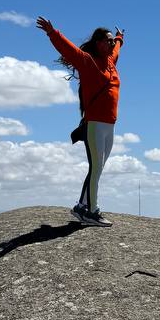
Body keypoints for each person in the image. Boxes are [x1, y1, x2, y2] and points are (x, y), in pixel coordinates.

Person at [36, 17, 124, 228]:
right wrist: (52, 32)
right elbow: (68, 50)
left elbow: (117, 50)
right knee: (95, 168)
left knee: (99, 168)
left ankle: (82, 206)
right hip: (94, 125)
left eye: (112, 41)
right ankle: (91, 212)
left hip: (110, 125)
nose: (111, 44)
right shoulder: (87, 61)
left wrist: (120, 37)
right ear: (98, 43)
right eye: (108, 41)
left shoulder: (111, 62)